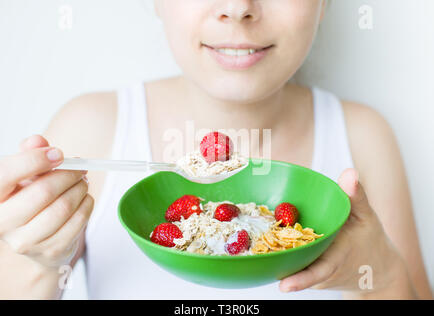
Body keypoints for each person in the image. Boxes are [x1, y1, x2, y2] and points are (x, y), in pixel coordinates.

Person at [0, 0, 431, 299]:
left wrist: (380, 272)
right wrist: (38, 262)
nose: (237, 7)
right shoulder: (90, 128)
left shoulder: (363, 137)